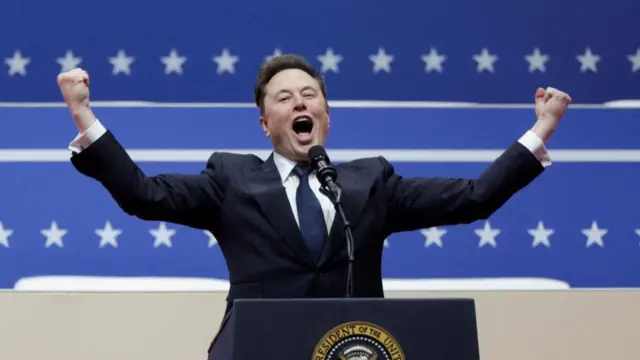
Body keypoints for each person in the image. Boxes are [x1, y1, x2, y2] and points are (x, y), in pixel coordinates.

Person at [56, 54, 571, 359]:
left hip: (357, 351)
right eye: (284, 98)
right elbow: (143, 195)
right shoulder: (230, 178)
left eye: (309, 94)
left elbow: (473, 198)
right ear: (264, 123)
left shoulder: (372, 181)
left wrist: (540, 130)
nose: (300, 103)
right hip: (259, 351)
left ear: (326, 113)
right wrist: (84, 116)